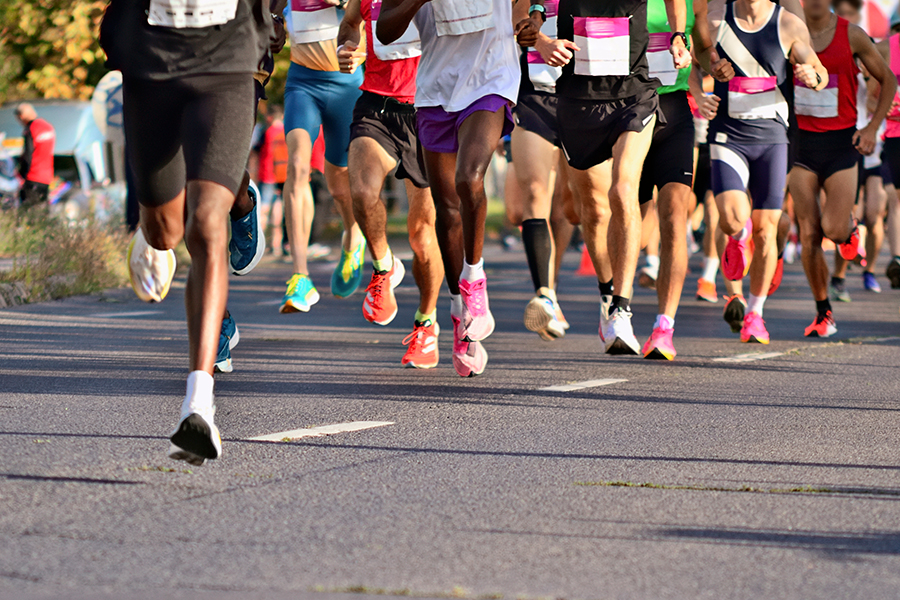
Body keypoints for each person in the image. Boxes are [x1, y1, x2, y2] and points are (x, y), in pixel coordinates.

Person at [100, 0, 271, 465]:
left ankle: (199, 405)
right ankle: (151, 233)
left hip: (229, 58)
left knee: (207, 222)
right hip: (152, 61)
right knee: (164, 230)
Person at [517, 0, 691, 355]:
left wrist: (677, 35)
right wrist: (540, 41)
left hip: (634, 94)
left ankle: (621, 308)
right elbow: (522, 18)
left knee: (623, 187)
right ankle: (607, 289)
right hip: (578, 100)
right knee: (591, 211)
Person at [378, 0, 521, 376]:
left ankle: (474, 281)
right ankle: (459, 311)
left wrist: (533, 16)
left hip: (491, 78)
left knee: (469, 178)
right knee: (446, 208)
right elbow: (385, 30)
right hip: (436, 89)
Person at [708, 0, 827, 345]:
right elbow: (696, 61)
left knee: (766, 230)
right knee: (732, 219)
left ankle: (756, 314)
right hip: (728, 133)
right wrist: (709, 76)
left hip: (773, 138)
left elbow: (817, 70)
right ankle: (735, 237)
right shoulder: (717, 19)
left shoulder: (789, 24)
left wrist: (811, 76)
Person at [336, 0, 445, 369]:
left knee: (422, 234)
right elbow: (351, 22)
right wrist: (346, 47)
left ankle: (426, 323)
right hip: (377, 107)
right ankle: (384, 266)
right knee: (363, 193)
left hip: (429, 110)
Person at [789, 0, 894, 338]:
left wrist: (872, 128)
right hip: (799, 142)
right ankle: (824, 312)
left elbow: (888, 80)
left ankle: (849, 231)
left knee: (833, 230)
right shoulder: (787, 28)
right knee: (809, 233)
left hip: (840, 144)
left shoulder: (853, 36)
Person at [636, 0, 733, 359]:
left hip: (673, 110)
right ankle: (615, 305)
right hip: (627, 106)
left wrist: (715, 68)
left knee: (676, 214)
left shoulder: (695, 3)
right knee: (627, 215)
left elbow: (701, 49)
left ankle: (664, 326)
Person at [279, 0, 366, 314]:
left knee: (340, 187)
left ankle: (353, 234)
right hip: (302, 84)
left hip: (347, 86)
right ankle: (300, 276)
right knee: (297, 165)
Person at [506, 0, 575, 342]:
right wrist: (541, 40)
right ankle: (545, 292)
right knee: (532, 196)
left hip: (583, 100)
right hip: (533, 98)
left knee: (570, 208)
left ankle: (554, 285)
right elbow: (520, 17)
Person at [256, 103, 288, 255]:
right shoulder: (287, 131)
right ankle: (276, 245)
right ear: (281, 116)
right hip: (283, 175)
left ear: (269, 117)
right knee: (278, 209)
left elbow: (256, 154)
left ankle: (258, 246)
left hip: (267, 175)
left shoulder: (265, 132)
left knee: (263, 209)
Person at [15, 103, 55, 209]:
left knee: (28, 212)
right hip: (46, 177)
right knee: (42, 211)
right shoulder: (48, 127)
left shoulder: (31, 129)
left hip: (32, 177)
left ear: (21, 116)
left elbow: (28, 155)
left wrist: (21, 175)